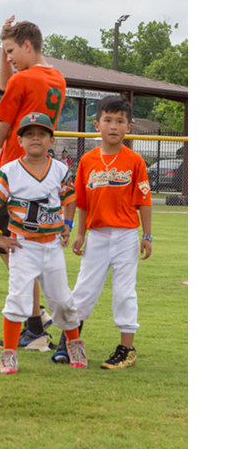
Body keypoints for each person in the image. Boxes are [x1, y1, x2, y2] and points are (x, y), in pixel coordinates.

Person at [0, 16, 68, 349]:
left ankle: (35, 323)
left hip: (17, 171)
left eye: (11, 50)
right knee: (15, 246)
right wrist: (4, 51)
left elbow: (0, 128)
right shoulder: (56, 78)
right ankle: (37, 319)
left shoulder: (22, 81)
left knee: (14, 248)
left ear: (27, 45)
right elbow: (5, 83)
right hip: (41, 172)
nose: (8, 58)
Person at [0, 112, 84, 375]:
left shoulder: (60, 169)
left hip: (51, 246)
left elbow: (70, 198)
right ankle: (10, 353)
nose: (35, 138)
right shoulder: (10, 170)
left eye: (41, 134)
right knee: (18, 299)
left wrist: (68, 224)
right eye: (29, 134)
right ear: (20, 140)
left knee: (63, 300)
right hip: (23, 245)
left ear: (51, 140)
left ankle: (74, 344)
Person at [59, 96, 153, 369]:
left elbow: (144, 200)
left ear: (129, 127)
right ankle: (70, 342)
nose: (114, 126)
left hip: (125, 235)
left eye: (120, 121)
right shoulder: (88, 161)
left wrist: (147, 236)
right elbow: (83, 202)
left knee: (124, 291)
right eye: (108, 120)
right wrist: (80, 234)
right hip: (97, 235)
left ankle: (127, 349)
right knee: (84, 288)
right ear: (97, 124)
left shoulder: (135, 161)